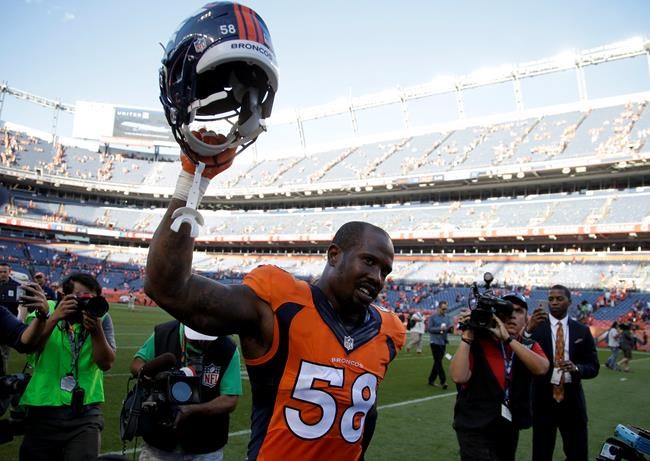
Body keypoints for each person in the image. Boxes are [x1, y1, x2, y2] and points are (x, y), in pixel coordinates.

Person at [147, 4, 405, 460]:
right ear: (333, 255)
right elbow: (169, 288)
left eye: (385, 269)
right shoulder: (279, 301)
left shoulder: (388, 330)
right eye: (369, 261)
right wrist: (192, 180)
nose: (378, 277)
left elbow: (364, 414)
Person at [19, 272, 117, 461]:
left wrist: (96, 331)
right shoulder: (45, 310)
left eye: (90, 298)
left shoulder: (101, 318)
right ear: (64, 296)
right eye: (80, 298)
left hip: (85, 410)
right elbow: (30, 348)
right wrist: (54, 317)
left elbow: (106, 363)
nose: (85, 304)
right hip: (43, 408)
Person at [450, 293, 549, 461]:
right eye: (506, 309)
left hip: (508, 426)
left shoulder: (529, 345)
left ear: (527, 318)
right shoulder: (477, 341)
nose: (511, 315)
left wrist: (508, 339)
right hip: (474, 426)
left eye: (518, 311)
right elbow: (459, 376)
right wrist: (467, 335)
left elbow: (542, 368)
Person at [129, 320, 242, 460]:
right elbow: (136, 364)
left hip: (205, 445)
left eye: (207, 338)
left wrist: (193, 409)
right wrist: (154, 376)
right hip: (159, 442)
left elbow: (230, 399)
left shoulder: (227, 348)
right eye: (196, 338)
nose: (202, 342)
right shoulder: (164, 334)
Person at [526, 284, 599, 461]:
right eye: (551, 299)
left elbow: (593, 367)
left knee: (578, 454)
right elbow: (521, 357)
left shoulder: (582, 331)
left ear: (570, 302)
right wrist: (528, 331)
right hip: (543, 400)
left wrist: (577, 369)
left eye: (559, 299)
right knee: (541, 454)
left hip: (572, 401)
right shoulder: (536, 328)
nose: (555, 302)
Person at [0, 262, 21, 375]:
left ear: (9, 272)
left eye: (5, 272)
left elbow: (22, 306)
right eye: (0, 272)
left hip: (7, 327)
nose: (2, 274)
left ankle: (3, 377)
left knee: (4, 354)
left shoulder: (16, 286)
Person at [427, 301, 453, 389]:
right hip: (434, 342)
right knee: (438, 362)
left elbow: (449, 326)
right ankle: (443, 381)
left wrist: (450, 328)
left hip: (443, 342)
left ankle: (431, 379)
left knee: (437, 362)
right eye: (443, 309)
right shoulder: (433, 317)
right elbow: (429, 329)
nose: (444, 310)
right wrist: (440, 329)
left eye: (446, 309)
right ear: (438, 308)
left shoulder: (447, 317)